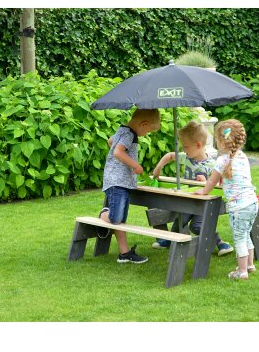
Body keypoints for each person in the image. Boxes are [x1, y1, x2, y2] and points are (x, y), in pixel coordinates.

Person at [150, 120, 234, 255]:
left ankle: (221, 243)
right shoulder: (186, 158)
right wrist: (158, 168)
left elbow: (218, 185)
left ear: (198, 145)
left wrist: (205, 181)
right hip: (189, 200)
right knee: (180, 217)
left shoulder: (212, 165)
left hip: (205, 204)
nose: (183, 150)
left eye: (186, 147)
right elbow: (170, 156)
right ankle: (170, 239)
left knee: (196, 226)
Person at [194, 119, 258, 280]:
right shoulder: (243, 157)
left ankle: (242, 272)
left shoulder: (222, 161)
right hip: (252, 203)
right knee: (246, 234)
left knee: (239, 238)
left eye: (216, 139)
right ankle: (249, 265)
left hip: (239, 208)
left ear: (222, 142)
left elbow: (212, 181)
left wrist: (203, 191)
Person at [99, 108, 161, 264]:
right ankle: (104, 214)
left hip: (120, 181)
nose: (145, 134)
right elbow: (118, 152)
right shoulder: (129, 134)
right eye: (147, 131)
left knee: (120, 219)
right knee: (116, 217)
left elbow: (111, 142)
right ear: (144, 124)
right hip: (117, 181)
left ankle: (124, 253)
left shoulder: (122, 130)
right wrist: (135, 166)